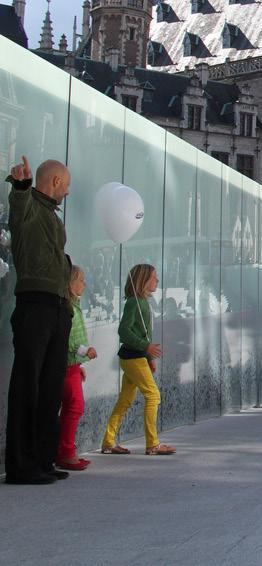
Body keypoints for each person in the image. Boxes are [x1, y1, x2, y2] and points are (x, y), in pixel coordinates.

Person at [5, 156, 74, 484]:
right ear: (56, 182)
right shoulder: (30, 205)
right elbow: (18, 210)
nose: (69, 192)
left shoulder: (50, 215)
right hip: (36, 304)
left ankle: (44, 459)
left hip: (58, 307)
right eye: (68, 184)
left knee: (50, 388)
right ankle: (21, 465)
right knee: (28, 384)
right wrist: (21, 186)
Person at [103, 264, 175, 456]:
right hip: (133, 358)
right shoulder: (134, 302)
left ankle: (109, 441)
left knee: (125, 400)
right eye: (153, 277)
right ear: (143, 281)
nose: (157, 280)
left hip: (136, 358)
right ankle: (152, 443)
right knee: (153, 395)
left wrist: (148, 355)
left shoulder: (141, 302)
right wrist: (146, 349)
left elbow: (142, 333)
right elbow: (123, 331)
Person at [58, 266, 97, 471]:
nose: (84, 284)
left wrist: (78, 363)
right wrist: (83, 351)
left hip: (72, 365)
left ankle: (65, 450)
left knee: (72, 408)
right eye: (81, 280)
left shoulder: (74, 306)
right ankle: (66, 452)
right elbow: (68, 338)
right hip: (68, 365)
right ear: (70, 283)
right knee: (75, 407)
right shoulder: (68, 308)